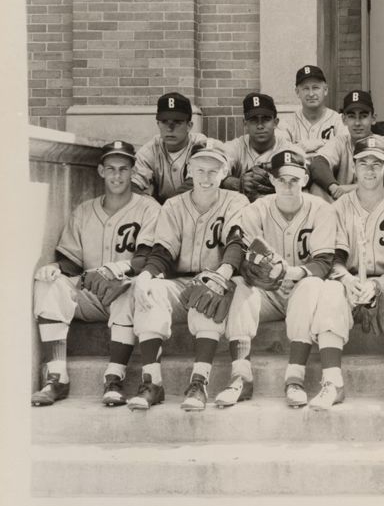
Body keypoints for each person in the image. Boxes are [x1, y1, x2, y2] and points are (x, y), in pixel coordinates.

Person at [32, 141, 161, 407]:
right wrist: (54, 268)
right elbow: (70, 261)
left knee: (129, 290)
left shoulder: (149, 208)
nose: (117, 176)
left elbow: (147, 257)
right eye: (111, 169)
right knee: (47, 284)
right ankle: (57, 376)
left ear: (132, 172)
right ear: (101, 171)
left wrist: (120, 268)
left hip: (123, 294)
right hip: (90, 294)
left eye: (123, 169)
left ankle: (114, 377)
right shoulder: (83, 210)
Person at [127, 144, 250, 410]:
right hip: (180, 280)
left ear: (224, 172)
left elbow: (236, 241)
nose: (206, 178)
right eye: (200, 170)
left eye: (213, 171)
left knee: (208, 293)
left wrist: (222, 274)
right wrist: (147, 276)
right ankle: (152, 382)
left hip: (218, 278)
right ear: (189, 171)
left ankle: (199, 382)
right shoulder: (173, 205)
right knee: (152, 292)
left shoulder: (236, 201)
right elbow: (162, 251)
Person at [221, 149, 341, 410]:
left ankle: (294, 378)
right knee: (241, 286)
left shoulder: (322, 209)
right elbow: (242, 251)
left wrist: (292, 273)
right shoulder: (257, 210)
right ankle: (241, 375)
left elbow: (323, 262)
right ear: (272, 180)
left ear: (306, 179)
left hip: (301, 290)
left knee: (311, 285)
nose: (287, 186)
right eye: (282, 179)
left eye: (294, 180)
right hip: (268, 292)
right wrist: (252, 272)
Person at [317, 135, 384, 409]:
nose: (370, 170)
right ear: (354, 167)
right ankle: (332, 381)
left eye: (377, 163)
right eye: (363, 163)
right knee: (329, 290)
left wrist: (379, 285)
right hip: (349, 277)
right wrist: (347, 280)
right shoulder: (338, 207)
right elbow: (333, 258)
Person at [307, 89, 384, 200]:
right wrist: (333, 186)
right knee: (317, 188)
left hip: (377, 206)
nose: (357, 123)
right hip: (343, 205)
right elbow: (318, 164)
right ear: (344, 120)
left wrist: (355, 187)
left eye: (363, 116)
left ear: (373, 118)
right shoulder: (339, 142)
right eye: (352, 116)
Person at [131, 92, 208, 202]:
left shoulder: (200, 143)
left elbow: (195, 183)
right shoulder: (151, 148)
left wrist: (167, 207)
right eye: (164, 122)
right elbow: (131, 184)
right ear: (158, 124)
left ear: (189, 126)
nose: (170, 128)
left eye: (177, 122)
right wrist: (148, 203)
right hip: (159, 211)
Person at [221, 93, 290, 201]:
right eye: (253, 120)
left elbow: (305, 173)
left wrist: (276, 181)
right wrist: (237, 183)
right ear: (245, 123)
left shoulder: (285, 147)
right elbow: (211, 168)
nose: (260, 126)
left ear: (275, 122)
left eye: (266, 119)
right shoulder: (236, 146)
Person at [278, 64, 348, 156]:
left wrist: (316, 143)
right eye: (306, 88)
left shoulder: (338, 120)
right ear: (297, 92)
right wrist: (328, 143)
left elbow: (346, 146)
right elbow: (281, 150)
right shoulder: (286, 124)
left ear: (325, 90)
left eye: (315, 88)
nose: (311, 94)